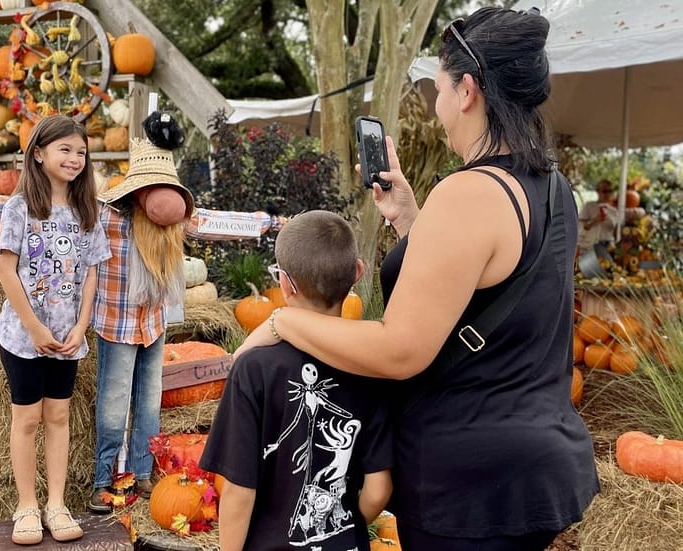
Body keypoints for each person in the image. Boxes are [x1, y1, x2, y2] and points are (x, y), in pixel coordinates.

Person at [235, 7, 599, 551]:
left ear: (468, 90)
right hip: (536, 467)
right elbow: (487, 286)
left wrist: (286, 322)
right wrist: (410, 218)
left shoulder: (468, 192)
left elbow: (402, 349)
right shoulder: (553, 188)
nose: (438, 104)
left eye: (440, 88)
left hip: (465, 482)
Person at [200, 210, 394, 551]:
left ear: (285, 284)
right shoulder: (371, 366)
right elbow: (378, 490)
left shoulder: (253, 369)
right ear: (357, 273)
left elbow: (238, 492)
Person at [0, 115, 111, 545]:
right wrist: (33, 326)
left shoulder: (87, 210)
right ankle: (26, 505)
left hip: (67, 336)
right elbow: (7, 270)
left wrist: (82, 327)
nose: (75, 158)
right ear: (39, 153)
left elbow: (92, 274)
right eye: (65, 149)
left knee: (58, 415)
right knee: (26, 418)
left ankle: (56, 503)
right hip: (24, 336)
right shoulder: (19, 207)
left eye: (81, 152)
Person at [87, 111, 196, 513]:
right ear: (136, 192)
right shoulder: (107, 218)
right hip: (116, 327)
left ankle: (142, 472)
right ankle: (102, 480)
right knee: (114, 409)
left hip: (153, 325)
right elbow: (56, 220)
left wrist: (273, 223)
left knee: (149, 404)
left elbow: (222, 223)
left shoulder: (172, 227)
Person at [578, 178, 620, 251]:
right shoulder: (589, 206)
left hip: (607, 246)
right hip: (589, 246)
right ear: (598, 191)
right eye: (604, 191)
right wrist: (594, 220)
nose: (607, 194)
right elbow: (581, 228)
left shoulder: (614, 211)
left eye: (610, 191)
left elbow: (616, 234)